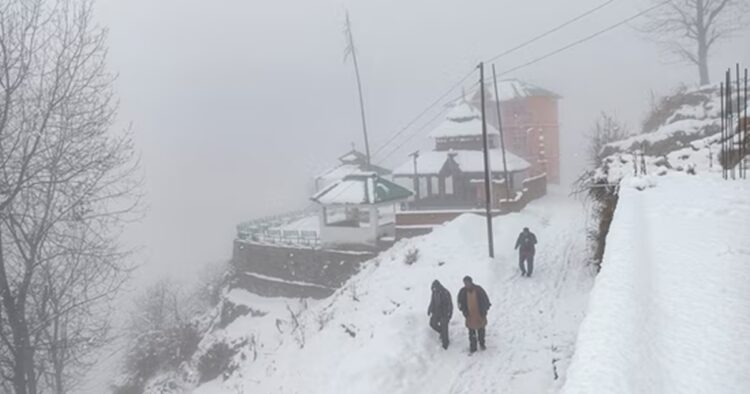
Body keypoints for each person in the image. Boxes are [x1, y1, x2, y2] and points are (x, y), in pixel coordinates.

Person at [457, 276, 491, 353]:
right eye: (465, 283)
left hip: (479, 314)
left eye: (467, 283)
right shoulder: (462, 292)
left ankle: (482, 343)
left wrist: (485, 310)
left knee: (481, 330)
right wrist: (463, 311)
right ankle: (473, 347)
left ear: (471, 282)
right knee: (471, 332)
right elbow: (459, 303)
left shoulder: (478, 289)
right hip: (470, 315)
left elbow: (485, 299)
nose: (466, 284)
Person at [427, 280, 453, 349]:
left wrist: (450, 313)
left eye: (435, 288)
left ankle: (445, 343)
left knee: (444, 327)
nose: (434, 289)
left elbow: (450, 304)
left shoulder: (445, 292)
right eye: (433, 288)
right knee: (432, 323)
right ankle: (442, 332)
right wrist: (429, 309)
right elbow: (432, 302)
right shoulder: (434, 293)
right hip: (436, 312)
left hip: (444, 313)